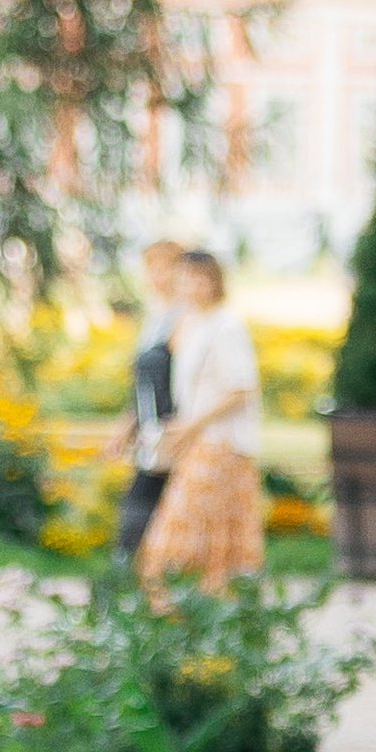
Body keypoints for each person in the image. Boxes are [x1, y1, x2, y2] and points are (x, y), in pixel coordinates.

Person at [135, 249, 265, 594]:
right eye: (185, 278)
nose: (190, 286)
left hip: (219, 441)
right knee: (206, 535)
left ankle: (183, 606)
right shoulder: (194, 323)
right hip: (198, 440)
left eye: (198, 278)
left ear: (215, 281)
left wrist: (192, 425)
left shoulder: (226, 325)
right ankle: (198, 610)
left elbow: (241, 389)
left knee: (187, 533)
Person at [107, 238, 186, 559]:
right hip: (150, 431)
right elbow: (143, 384)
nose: (156, 275)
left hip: (173, 430)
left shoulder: (185, 318)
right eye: (150, 267)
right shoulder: (154, 316)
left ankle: (126, 582)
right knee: (141, 511)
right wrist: (125, 427)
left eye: (164, 266)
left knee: (143, 510)